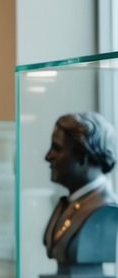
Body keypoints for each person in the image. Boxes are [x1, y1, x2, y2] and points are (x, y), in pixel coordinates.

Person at [42, 111, 118, 267]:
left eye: (57, 148)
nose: (48, 156)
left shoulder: (106, 210)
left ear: (83, 156)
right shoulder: (66, 204)